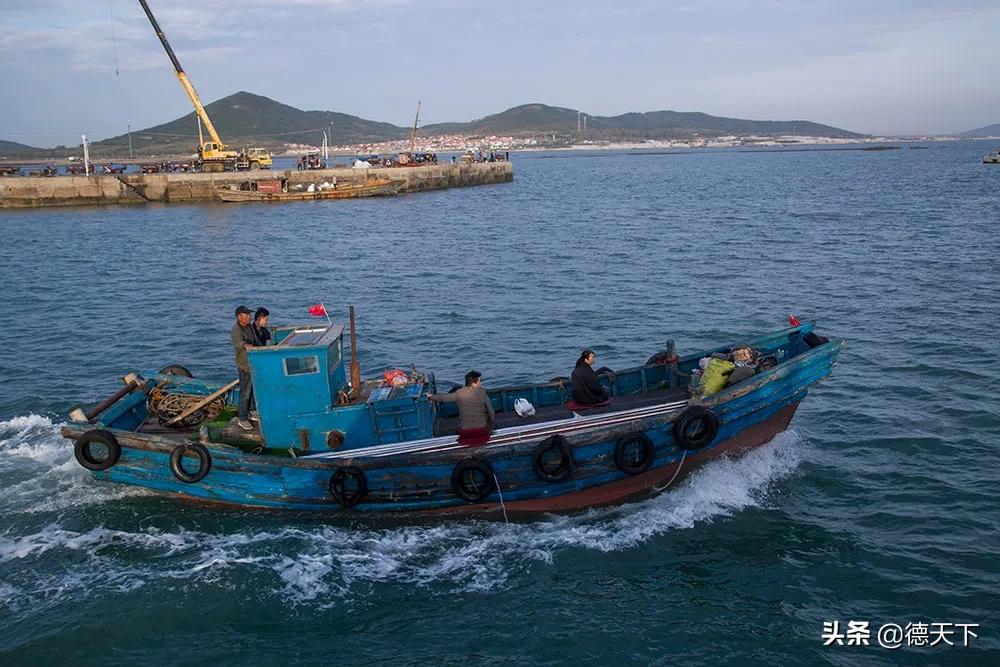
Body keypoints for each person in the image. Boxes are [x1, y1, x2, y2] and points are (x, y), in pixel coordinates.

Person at [427, 371, 495, 445]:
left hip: (465, 433)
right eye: (479, 381)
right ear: (473, 383)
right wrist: (491, 422)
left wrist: (431, 397)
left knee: (459, 427)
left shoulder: (459, 393)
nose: (480, 383)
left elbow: (443, 398)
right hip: (481, 431)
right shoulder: (483, 393)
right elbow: (491, 412)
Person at [231, 305, 257, 430]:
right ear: (239, 317)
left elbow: (256, 340)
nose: (249, 317)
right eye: (246, 315)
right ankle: (242, 418)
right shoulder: (236, 329)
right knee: (245, 392)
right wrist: (246, 345)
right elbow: (239, 343)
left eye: (249, 314)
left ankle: (252, 411)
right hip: (244, 365)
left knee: (253, 390)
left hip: (253, 363)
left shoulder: (249, 327)